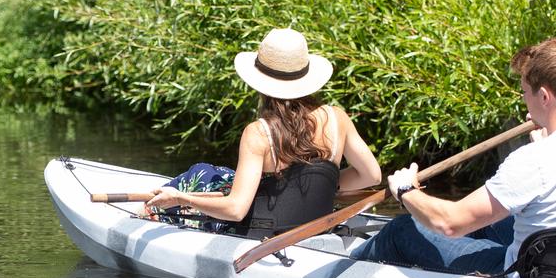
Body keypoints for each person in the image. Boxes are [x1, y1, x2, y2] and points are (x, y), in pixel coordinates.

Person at [355, 37, 556, 275]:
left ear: (544, 96)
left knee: (402, 229)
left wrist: (406, 191)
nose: (524, 100)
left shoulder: (534, 160)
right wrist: (546, 140)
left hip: (526, 275)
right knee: (496, 222)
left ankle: (344, 264)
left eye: (524, 92)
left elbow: (450, 223)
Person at [142, 28, 381, 236]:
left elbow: (236, 211)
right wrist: (320, 187)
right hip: (314, 224)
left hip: (263, 230)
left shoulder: (258, 133)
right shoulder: (337, 118)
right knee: (217, 174)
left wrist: (181, 198)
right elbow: (371, 176)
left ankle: (147, 209)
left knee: (199, 174)